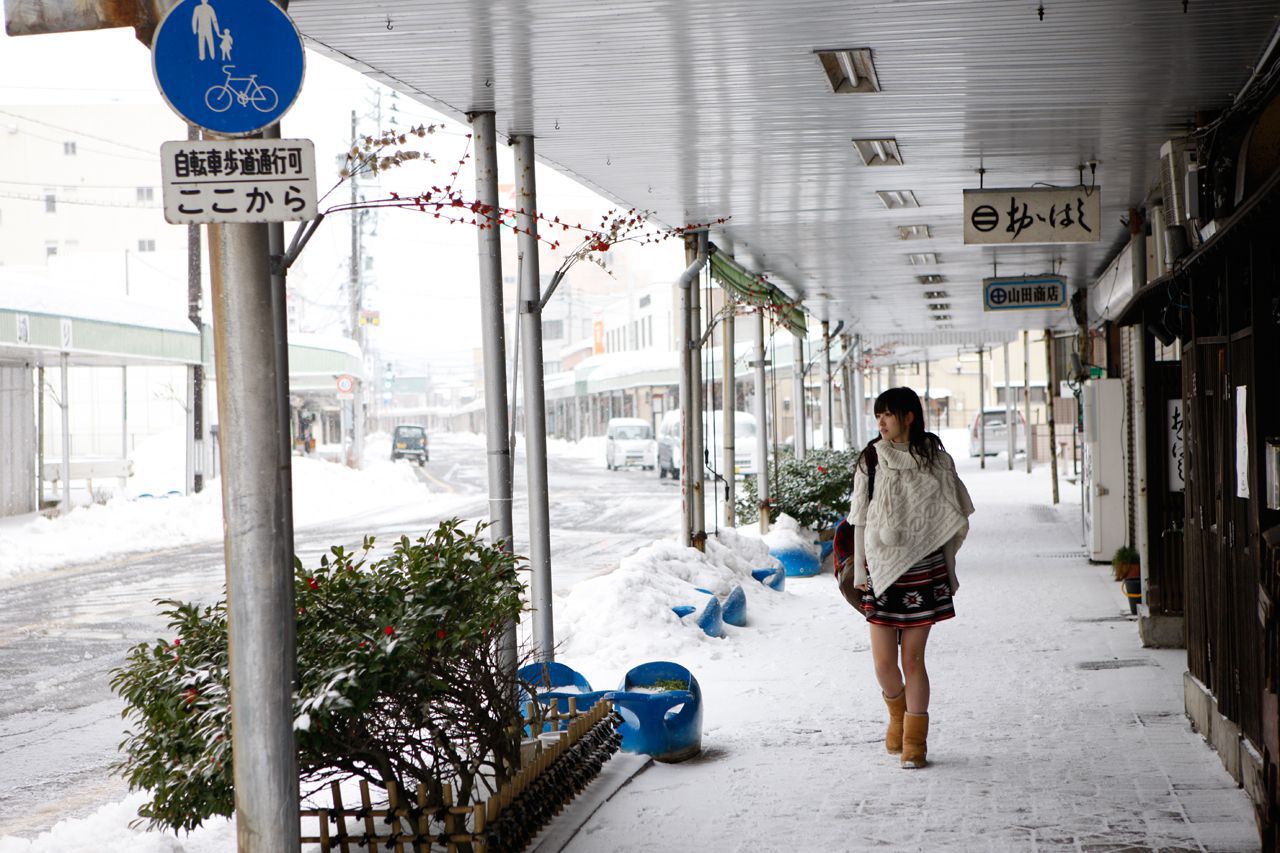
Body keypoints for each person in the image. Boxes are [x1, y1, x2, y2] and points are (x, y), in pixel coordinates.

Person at [840, 386, 974, 769]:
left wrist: (949, 572)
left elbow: (950, 516)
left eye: (887, 414)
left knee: (913, 660)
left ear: (909, 416)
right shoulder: (871, 458)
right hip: (881, 572)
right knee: (883, 664)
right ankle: (897, 715)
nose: (880, 422)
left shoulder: (935, 459)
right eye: (877, 415)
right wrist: (861, 569)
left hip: (923, 572)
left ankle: (916, 741)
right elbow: (861, 518)